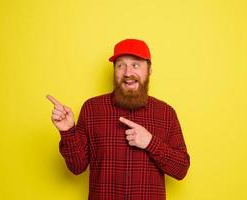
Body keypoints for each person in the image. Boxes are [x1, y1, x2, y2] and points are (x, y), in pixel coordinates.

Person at [46, 38, 190, 200]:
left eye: (136, 65)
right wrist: (68, 132)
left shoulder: (166, 113)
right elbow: (77, 167)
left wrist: (150, 142)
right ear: (114, 70)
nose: (128, 73)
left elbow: (181, 169)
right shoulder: (92, 108)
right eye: (121, 65)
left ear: (149, 70)